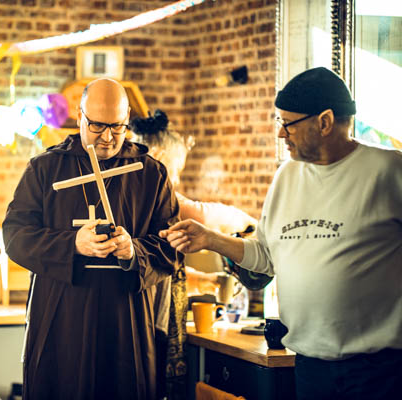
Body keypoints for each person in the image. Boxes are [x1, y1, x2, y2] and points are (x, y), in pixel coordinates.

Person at [160, 67, 402, 400]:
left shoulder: (387, 171)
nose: (280, 133)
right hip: (310, 366)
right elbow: (266, 256)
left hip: (378, 370)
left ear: (325, 122)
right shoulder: (286, 176)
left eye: (288, 124)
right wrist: (211, 239)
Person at [2, 78, 181, 400]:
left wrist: (134, 251)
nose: (107, 137)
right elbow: (15, 236)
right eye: (97, 125)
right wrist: (72, 244)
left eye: (117, 126)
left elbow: (172, 248)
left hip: (125, 318)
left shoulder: (150, 173)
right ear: (80, 117)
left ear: (127, 120)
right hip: (61, 313)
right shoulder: (46, 168)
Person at [130, 109, 257, 400]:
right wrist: (251, 224)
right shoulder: (149, 188)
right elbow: (200, 213)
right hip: (142, 321)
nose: (175, 178)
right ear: (160, 156)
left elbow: (165, 270)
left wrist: (206, 280)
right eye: (176, 170)